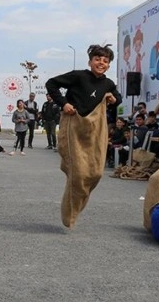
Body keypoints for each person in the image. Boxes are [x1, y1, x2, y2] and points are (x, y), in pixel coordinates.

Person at [46, 44, 121, 228]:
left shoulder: (108, 83)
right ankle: (69, 213)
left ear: (109, 65)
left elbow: (118, 98)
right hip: (74, 125)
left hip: (94, 130)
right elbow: (51, 84)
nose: (101, 63)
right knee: (78, 174)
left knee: (95, 173)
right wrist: (63, 103)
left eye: (105, 61)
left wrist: (113, 98)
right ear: (90, 61)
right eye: (97, 59)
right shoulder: (79, 76)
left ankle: (76, 205)